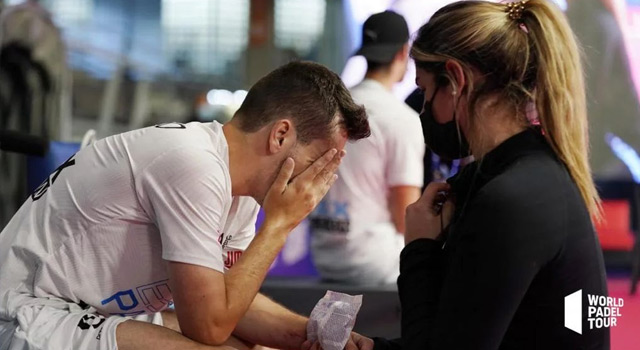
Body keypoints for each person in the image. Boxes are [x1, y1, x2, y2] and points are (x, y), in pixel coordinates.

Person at [0, 61, 374, 350]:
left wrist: (315, 335)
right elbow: (209, 325)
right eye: (317, 164)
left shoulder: (240, 189)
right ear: (280, 135)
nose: (315, 185)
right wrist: (280, 224)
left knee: (247, 344)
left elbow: (230, 300)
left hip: (86, 312)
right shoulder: (192, 164)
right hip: (23, 313)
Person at [373, 1, 609, 349]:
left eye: (425, 91)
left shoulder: (512, 199)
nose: (422, 108)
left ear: (455, 80)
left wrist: (420, 249)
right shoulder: (517, 176)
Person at [310, 11, 424, 285]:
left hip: (325, 257)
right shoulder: (401, 118)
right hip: (379, 267)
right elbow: (406, 215)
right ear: (403, 53)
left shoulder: (330, 109)